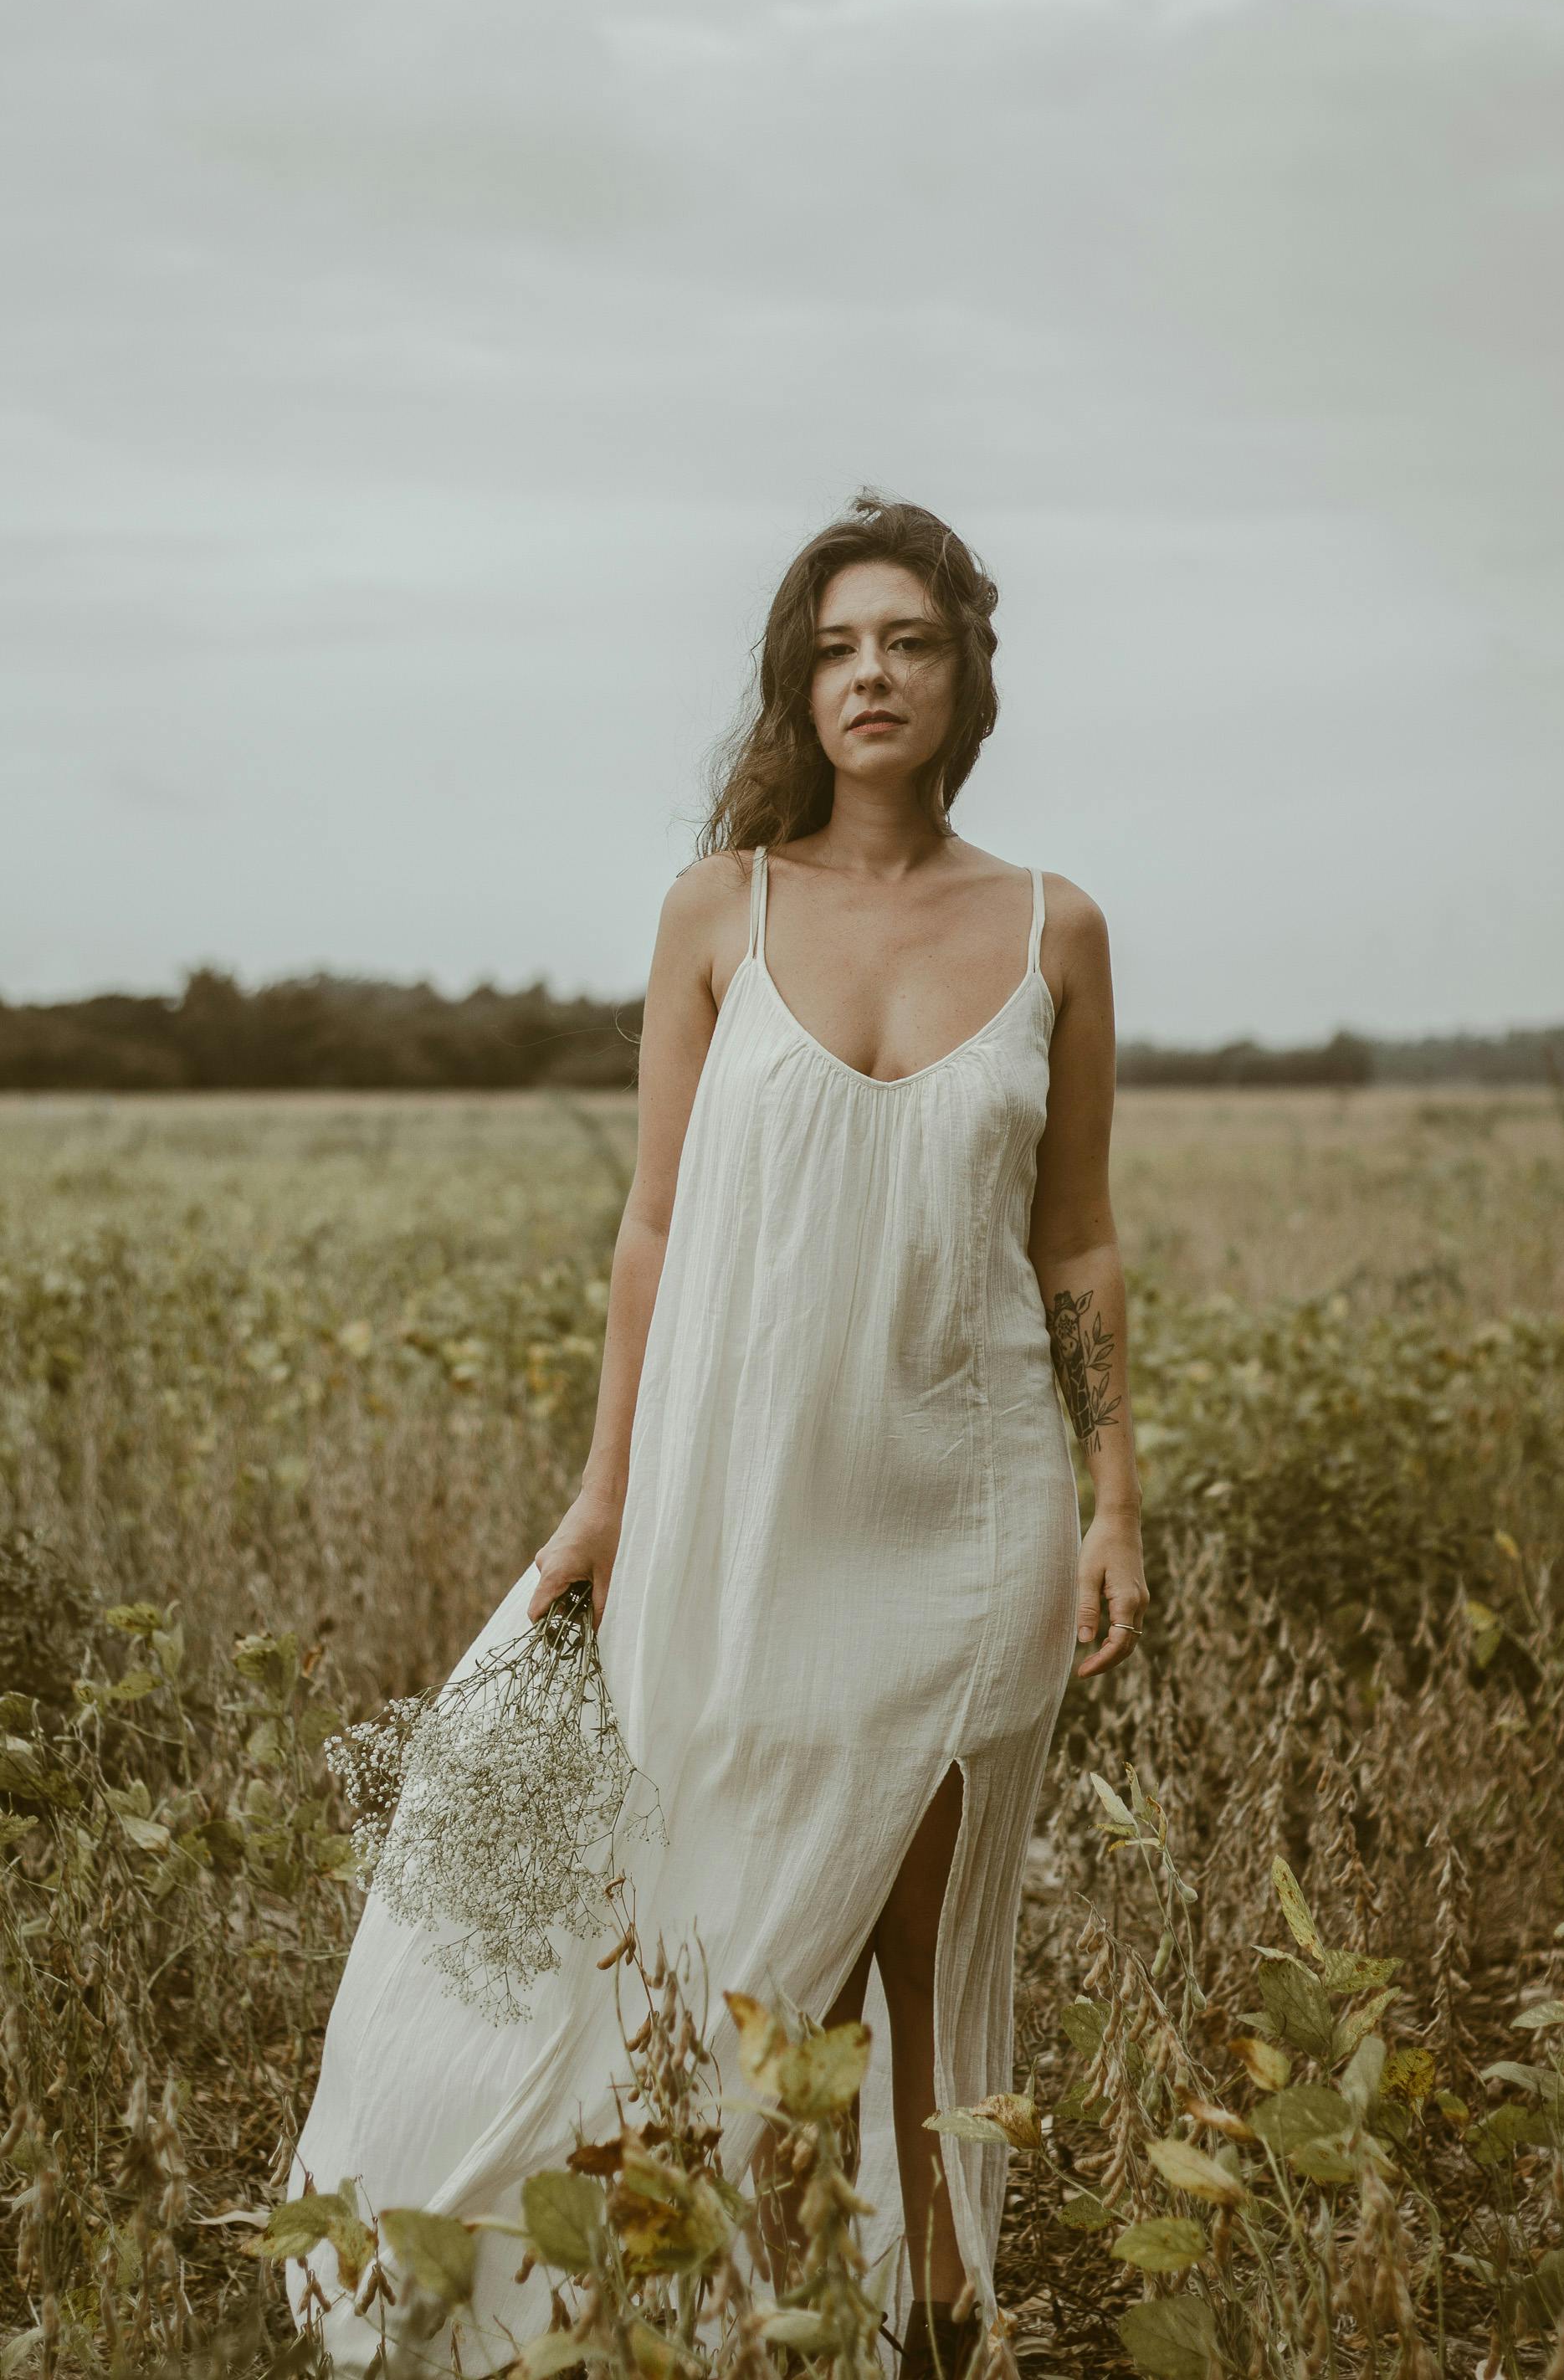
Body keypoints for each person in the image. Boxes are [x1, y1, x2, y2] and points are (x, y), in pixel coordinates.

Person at [285, 492, 1147, 2380]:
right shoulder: (717, 913)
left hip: (972, 1505)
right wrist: (603, 1498)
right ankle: (741, 2305)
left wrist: (1111, 1503)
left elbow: (1072, 1238)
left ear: (963, 674)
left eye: (907, 642)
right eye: (837, 647)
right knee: (757, 1931)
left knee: (921, 1937)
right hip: (741, 1513)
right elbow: (655, 1227)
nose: (872, 676)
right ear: (795, 680)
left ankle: (929, 2317)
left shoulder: (1052, 925)